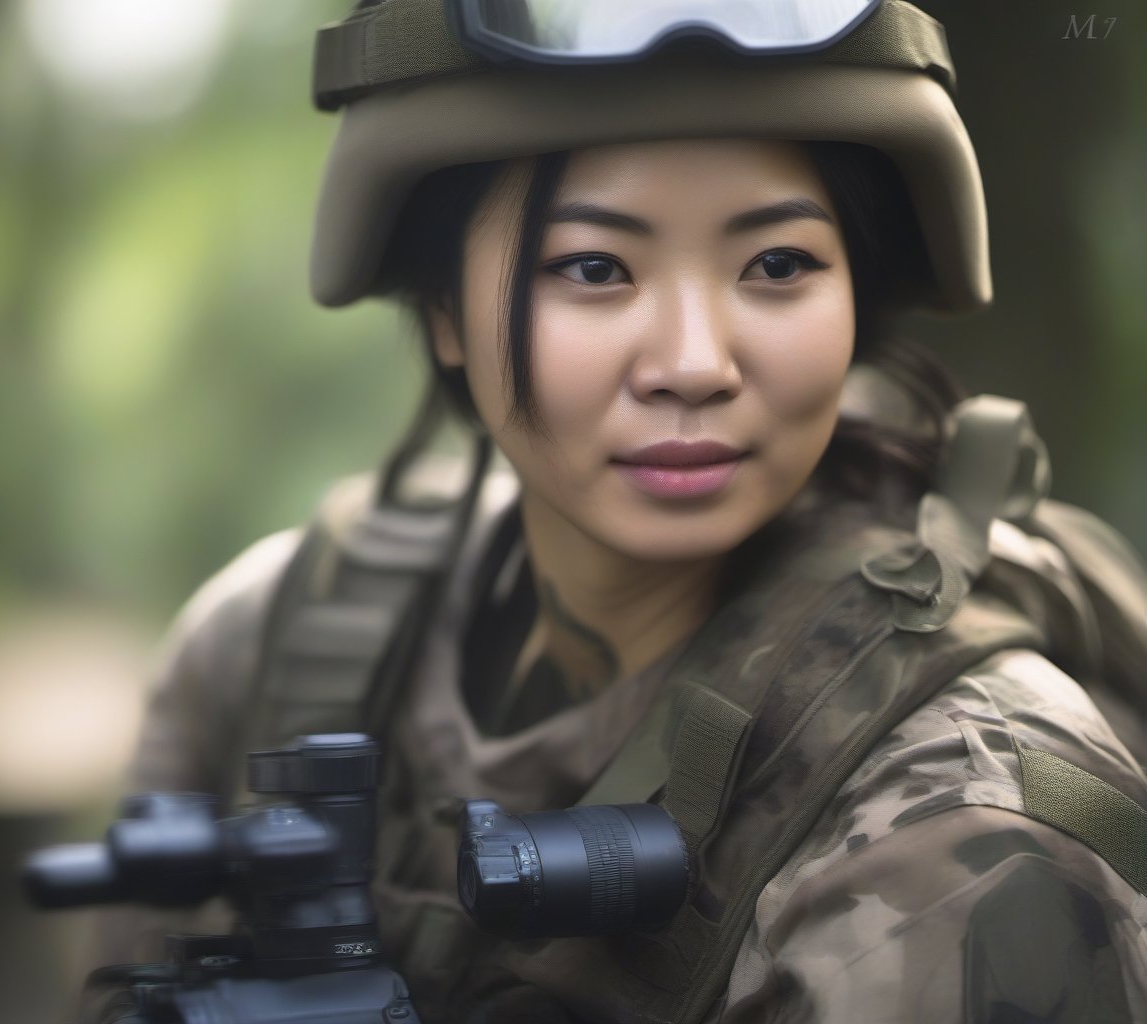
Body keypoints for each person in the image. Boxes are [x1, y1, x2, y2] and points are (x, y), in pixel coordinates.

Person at [100, 1, 1147, 1021]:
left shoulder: (961, 830)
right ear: (443, 314)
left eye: (776, 264)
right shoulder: (272, 650)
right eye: (593, 267)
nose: (693, 363)